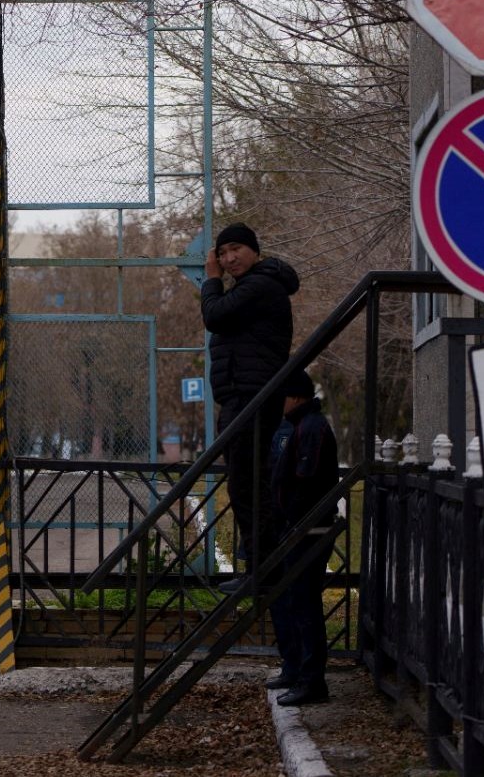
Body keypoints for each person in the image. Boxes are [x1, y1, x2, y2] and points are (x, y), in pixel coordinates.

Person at [201, 222, 300, 586]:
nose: (228, 259)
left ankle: (263, 571)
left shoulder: (260, 285)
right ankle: (261, 568)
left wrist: (211, 279)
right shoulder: (253, 287)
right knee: (246, 481)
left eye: (235, 250)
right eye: (222, 254)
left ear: (254, 250)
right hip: (244, 394)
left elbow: (213, 315)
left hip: (251, 396)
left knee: (247, 483)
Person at [265, 368, 340, 706]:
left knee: (305, 602)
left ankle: (312, 680)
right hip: (299, 530)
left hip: (308, 531)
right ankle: (299, 671)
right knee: (295, 600)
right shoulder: (303, 427)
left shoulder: (311, 429)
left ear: (294, 397)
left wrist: (293, 521)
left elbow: (305, 482)